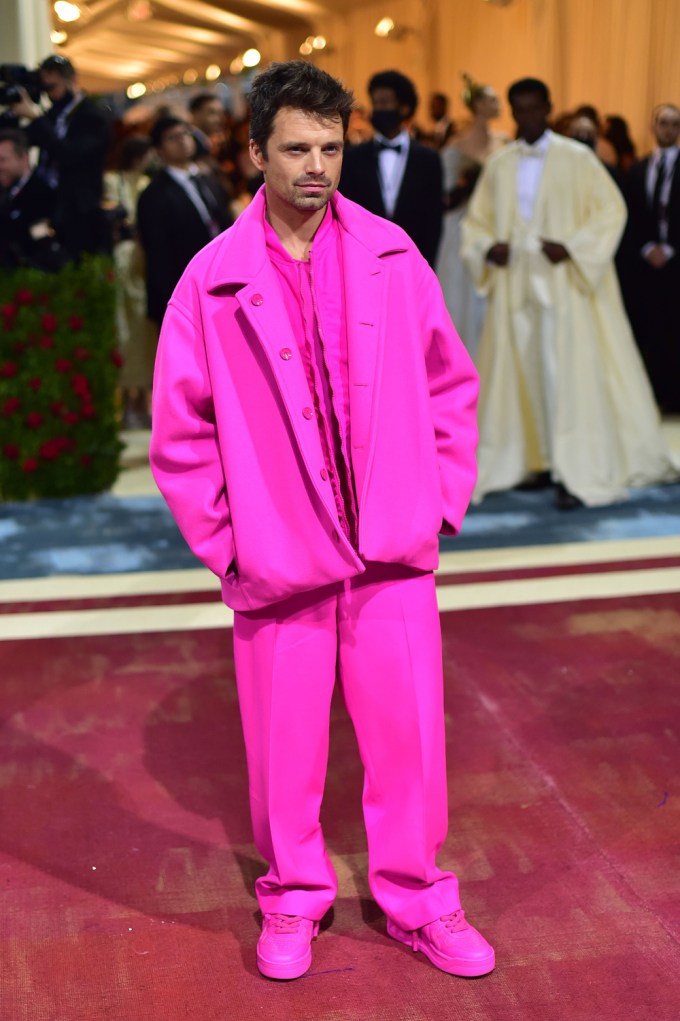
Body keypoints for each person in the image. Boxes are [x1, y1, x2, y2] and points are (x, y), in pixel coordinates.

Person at [149, 59, 494, 983]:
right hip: (278, 558)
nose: (316, 167)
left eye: (331, 149)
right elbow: (181, 433)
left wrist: (439, 499)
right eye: (297, 149)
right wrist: (232, 548)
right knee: (283, 751)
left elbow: (450, 384)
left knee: (410, 741)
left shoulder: (392, 253)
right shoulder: (210, 280)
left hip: (390, 550)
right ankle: (295, 894)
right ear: (255, 152)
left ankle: (419, 896)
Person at [461, 77, 678, 509]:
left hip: (567, 288)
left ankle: (572, 466)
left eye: (534, 108)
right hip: (516, 287)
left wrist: (574, 248)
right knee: (522, 371)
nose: (527, 116)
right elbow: (476, 222)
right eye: (519, 109)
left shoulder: (578, 158)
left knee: (565, 373)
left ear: (548, 107)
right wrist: (487, 248)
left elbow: (610, 211)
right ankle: (534, 459)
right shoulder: (500, 165)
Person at [10, 55, 112, 260]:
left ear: (72, 80)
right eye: (45, 88)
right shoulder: (54, 114)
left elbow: (69, 154)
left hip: (79, 211)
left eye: (53, 87)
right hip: (48, 203)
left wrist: (36, 118)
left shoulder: (93, 115)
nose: (50, 94)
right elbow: (23, 139)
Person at [340, 70, 443, 266]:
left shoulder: (428, 159)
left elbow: (433, 220)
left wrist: (427, 265)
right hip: (364, 259)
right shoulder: (353, 158)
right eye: (376, 103)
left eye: (385, 103)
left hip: (413, 260)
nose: (378, 109)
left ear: (404, 108)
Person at [137, 116, 232, 327]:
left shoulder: (207, 178)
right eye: (172, 137)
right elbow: (158, 254)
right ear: (159, 150)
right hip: (187, 287)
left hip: (222, 276)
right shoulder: (153, 195)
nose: (182, 140)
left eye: (185, 133)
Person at [436, 74, 507, 360]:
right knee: (460, 290)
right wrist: (467, 185)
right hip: (462, 223)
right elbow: (446, 196)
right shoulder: (457, 147)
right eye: (491, 99)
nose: (497, 104)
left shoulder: (505, 143)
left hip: (496, 223)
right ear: (477, 105)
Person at [621, 104, 680, 413]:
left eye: (674, 124)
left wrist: (670, 249)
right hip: (644, 264)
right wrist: (646, 248)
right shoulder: (638, 169)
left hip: (676, 262)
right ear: (653, 127)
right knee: (649, 329)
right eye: (663, 123)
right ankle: (652, 394)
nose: (668, 129)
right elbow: (630, 215)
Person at [103, 135, 155, 428]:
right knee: (122, 328)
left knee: (143, 332)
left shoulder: (147, 183)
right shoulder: (113, 180)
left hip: (142, 261)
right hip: (121, 261)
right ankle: (126, 401)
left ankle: (141, 401)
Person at [0, 127, 64, 271]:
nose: (0, 167)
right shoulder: (4, 193)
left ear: (24, 158)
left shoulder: (43, 194)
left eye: (3, 160)